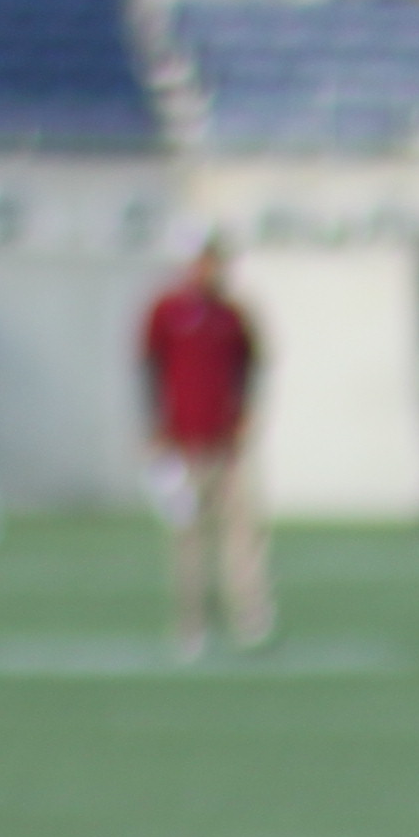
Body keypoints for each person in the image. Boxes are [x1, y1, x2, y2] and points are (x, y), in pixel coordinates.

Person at [139, 237, 271, 658]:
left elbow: (251, 364)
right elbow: (149, 368)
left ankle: (250, 617)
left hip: (226, 442)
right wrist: (155, 427)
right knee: (188, 539)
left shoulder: (232, 316)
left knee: (242, 534)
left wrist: (245, 414)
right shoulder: (167, 312)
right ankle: (192, 622)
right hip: (182, 441)